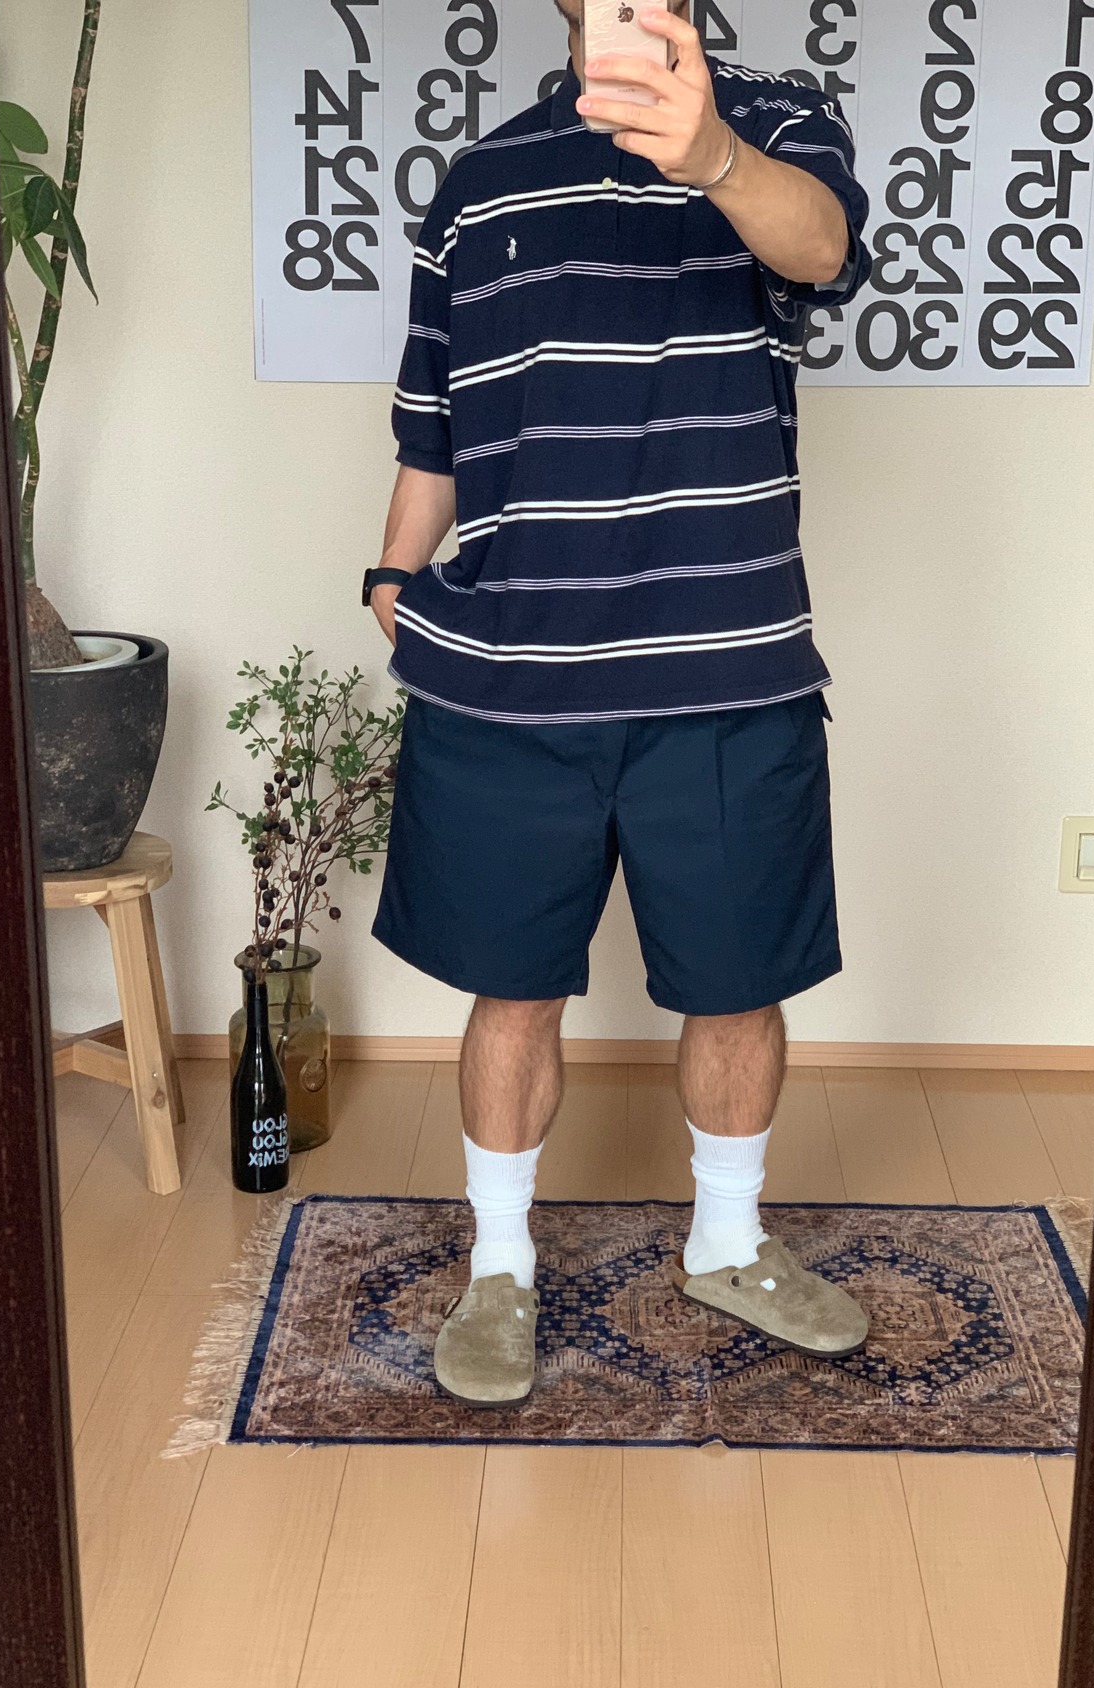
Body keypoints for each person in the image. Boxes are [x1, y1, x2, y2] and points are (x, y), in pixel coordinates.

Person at [364, 0, 873, 1406]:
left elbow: (821, 250)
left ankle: (728, 1242)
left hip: (727, 670)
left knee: (740, 983)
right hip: (509, 685)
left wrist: (710, 156)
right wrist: (391, 575)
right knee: (511, 988)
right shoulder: (480, 183)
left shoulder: (779, 120)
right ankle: (500, 1268)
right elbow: (431, 426)